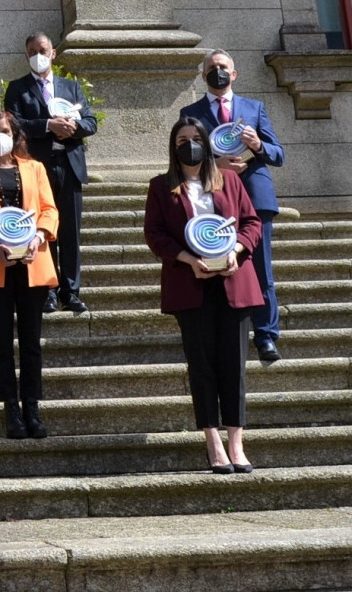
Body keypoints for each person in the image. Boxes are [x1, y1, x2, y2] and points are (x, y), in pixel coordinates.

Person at [144, 117, 262, 473]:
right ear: (173, 145)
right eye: (183, 138)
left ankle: (237, 444)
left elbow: (251, 223)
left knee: (233, 366)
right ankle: (213, 442)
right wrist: (189, 260)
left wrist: (236, 252)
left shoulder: (229, 180)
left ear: (207, 143)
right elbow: (156, 234)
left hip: (233, 281)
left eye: (196, 138)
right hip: (190, 283)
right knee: (202, 365)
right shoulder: (161, 186)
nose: (190, 144)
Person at [181, 49, 284, 363]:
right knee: (223, 265)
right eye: (212, 68)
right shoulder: (192, 111)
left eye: (223, 67)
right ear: (203, 76)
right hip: (215, 201)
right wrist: (217, 163)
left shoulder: (254, 108)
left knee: (261, 268)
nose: (218, 72)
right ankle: (226, 331)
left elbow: (278, 154)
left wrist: (256, 144)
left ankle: (266, 336)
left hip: (255, 194)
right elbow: (184, 156)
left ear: (234, 74)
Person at [0, 108, 59, 439]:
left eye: (4, 130)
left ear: (15, 133)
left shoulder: (35, 168)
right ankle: (11, 410)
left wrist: (38, 237)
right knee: (2, 342)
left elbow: (49, 209)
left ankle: (32, 406)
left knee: (31, 341)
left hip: (33, 261)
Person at [4, 31, 97, 314]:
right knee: (43, 230)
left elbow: (91, 122)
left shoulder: (71, 87)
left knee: (70, 232)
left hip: (68, 165)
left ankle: (72, 290)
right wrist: (48, 125)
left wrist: (73, 128)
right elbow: (14, 123)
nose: (37, 56)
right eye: (32, 51)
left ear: (53, 53)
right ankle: (49, 289)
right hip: (37, 169)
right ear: (26, 56)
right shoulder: (17, 88)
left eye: (42, 50)